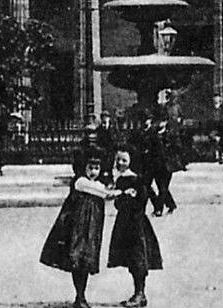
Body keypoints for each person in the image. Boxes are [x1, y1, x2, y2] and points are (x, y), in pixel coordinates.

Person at [40, 155, 119, 308]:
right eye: (90, 168)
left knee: (87, 258)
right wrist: (121, 191)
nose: (93, 172)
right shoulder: (81, 182)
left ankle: (81, 296)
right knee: (78, 258)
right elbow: (105, 193)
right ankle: (80, 296)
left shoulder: (97, 183)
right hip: (79, 227)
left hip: (92, 227)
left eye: (97, 168)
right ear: (83, 169)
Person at [108, 148, 162, 308]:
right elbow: (118, 204)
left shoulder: (136, 179)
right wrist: (123, 196)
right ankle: (137, 293)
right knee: (131, 258)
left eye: (124, 160)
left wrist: (125, 197)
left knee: (138, 257)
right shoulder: (120, 180)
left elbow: (142, 199)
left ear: (131, 161)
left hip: (136, 223)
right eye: (118, 159)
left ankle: (140, 293)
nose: (120, 163)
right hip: (124, 222)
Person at [145, 117, 181, 217]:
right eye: (158, 121)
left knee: (163, 187)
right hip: (155, 165)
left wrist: (171, 155)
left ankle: (158, 209)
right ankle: (171, 204)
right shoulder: (153, 134)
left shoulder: (170, 135)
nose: (159, 124)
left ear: (165, 122)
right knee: (161, 186)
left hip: (167, 166)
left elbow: (177, 148)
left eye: (162, 121)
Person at [94, 111, 119, 183]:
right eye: (103, 119)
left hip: (111, 152)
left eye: (106, 118)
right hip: (102, 152)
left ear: (109, 119)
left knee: (110, 168)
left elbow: (116, 139)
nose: (104, 124)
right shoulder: (99, 129)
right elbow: (97, 140)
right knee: (102, 168)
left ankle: (110, 181)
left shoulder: (113, 129)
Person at [204, 94, 223, 163]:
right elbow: (209, 120)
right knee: (215, 138)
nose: (216, 100)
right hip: (213, 129)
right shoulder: (211, 110)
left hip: (221, 129)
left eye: (218, 99)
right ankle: (215, 155)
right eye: (215, 99)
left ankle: (220, 155)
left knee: (221, 139)